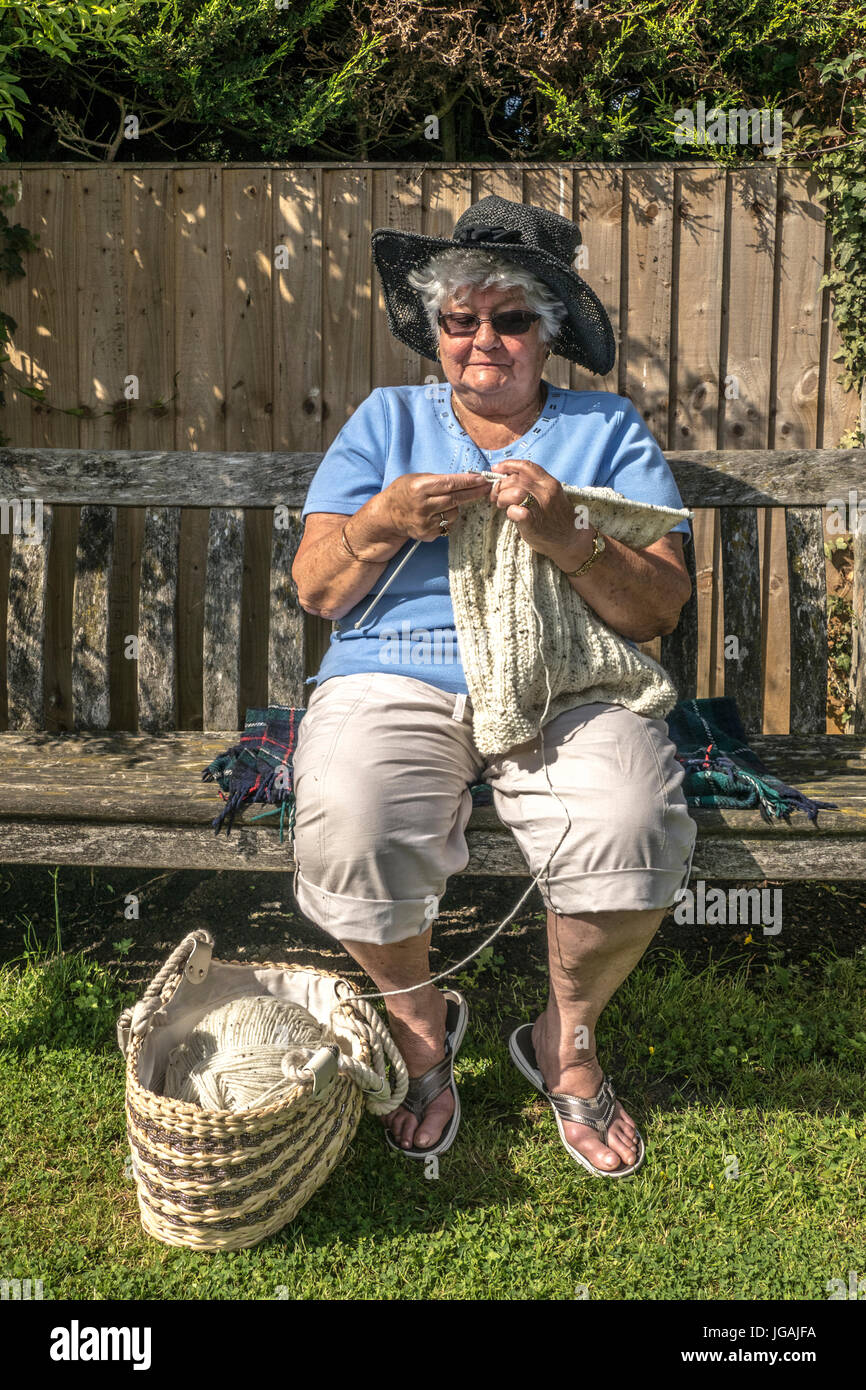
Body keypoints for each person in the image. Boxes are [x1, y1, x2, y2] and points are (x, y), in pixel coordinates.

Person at [290, 193, 697, 1176]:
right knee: (349, 813)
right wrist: (385, 517)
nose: (483, 340)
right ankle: (420, 1028)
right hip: (395, 672)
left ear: (546, 333)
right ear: (433, 328)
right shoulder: (385, 421)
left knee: (632, 818)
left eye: (509, 318)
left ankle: (567, 1039)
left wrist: (570, 537)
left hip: (566, 681)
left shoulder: (603, 429)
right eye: (458, 318)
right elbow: (316, 587)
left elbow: (656, 612)